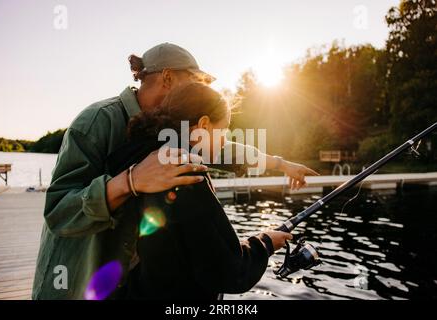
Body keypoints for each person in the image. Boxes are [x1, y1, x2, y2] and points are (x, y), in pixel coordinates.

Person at [32, 43, 318, 300]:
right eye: (194, 82)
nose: (201, 91)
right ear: (168, 78)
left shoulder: (172, 133)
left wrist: (281, 164)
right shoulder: (98, 121)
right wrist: (130, 181)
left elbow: (221, 146)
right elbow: (59, 210)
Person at [108, 82, 292, 299]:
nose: (224, 140)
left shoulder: (136, 158)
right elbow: (229, 272)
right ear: (203, 125)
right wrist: (266, 242)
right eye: (223, 130)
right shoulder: (187, 174)